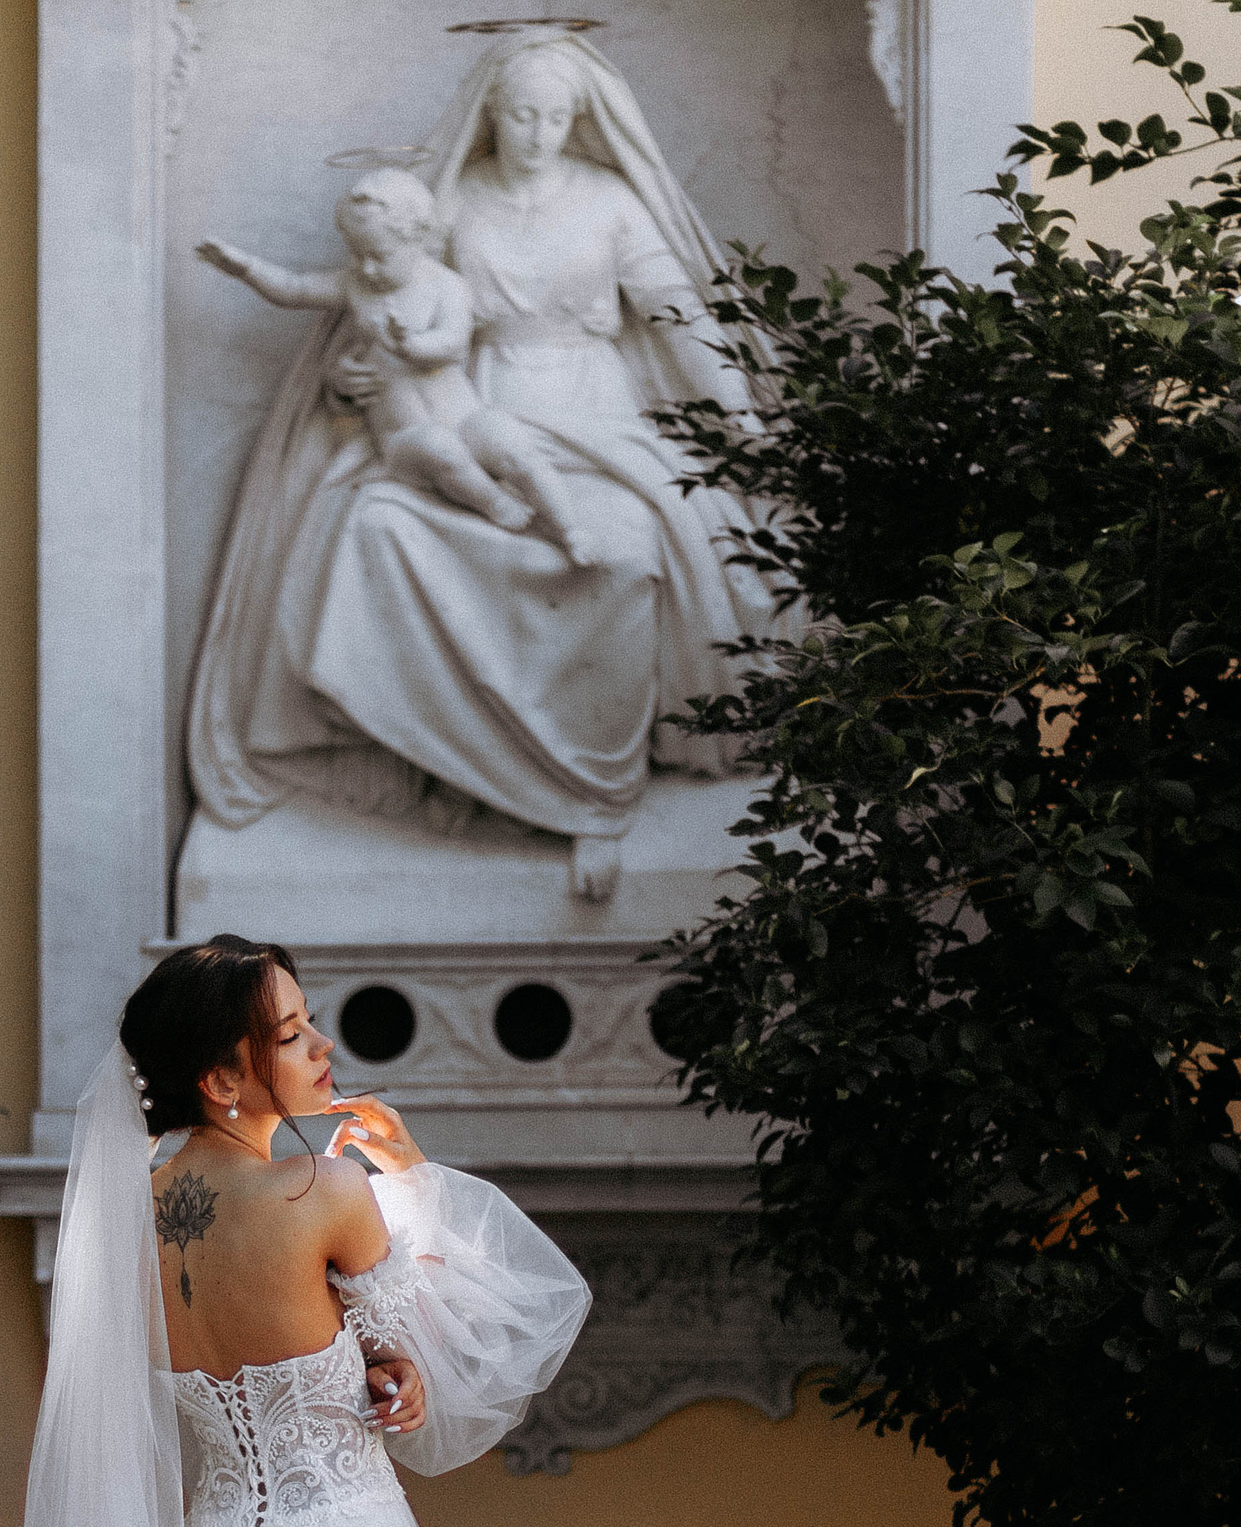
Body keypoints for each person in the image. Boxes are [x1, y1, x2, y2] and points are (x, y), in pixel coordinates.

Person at [186, 30, 801, 904]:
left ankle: (594, 796)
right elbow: (378, 308)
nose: (540, 131)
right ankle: (458, 768)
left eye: (557, 115)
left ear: (579, 119)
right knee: (376, 527)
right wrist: (347, 377)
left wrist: (742, 420)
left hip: (594, 409)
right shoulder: (450, 201)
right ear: (493, 114)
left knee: (621, 558)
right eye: (523, 113)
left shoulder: (611, 202)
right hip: (471, 398)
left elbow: (677, 316)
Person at [0, 936, 592, 1527]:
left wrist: (381, 1369)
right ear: (221, 1079)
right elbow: (465, 1347)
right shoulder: (324, 1189)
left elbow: (348, 1348)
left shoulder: (120, 1217)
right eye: (289, 1035)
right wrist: (413, 1174)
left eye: (308, 1021)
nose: (324, 1044)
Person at [198, 168, 597, 567]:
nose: (367, 268)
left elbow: (454, 343)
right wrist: (247, 268)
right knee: (437, 447)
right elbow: (295, 288)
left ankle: (569, 526)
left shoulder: (446, 287)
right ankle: (493, 503)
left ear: (417, 240)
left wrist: (411, 344)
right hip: (404, 439)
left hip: (464, 419)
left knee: (507, 438)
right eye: (357, 254)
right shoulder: (356, 285)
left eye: (380, 256)